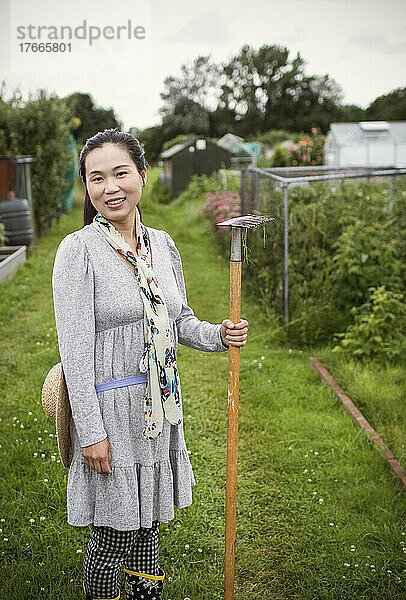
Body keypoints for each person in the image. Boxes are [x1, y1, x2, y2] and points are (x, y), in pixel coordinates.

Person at [51, 128, 249, 600]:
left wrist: (218, 335)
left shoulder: (162, 245)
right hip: (111, 413)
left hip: (158, 410)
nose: (110, 187)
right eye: (96, 178)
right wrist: (91, 432)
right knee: (114, 534)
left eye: (121, 173)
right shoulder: (78, 252)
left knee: (147, 530)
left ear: (143, 175)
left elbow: (178, 318)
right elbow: (75, 352)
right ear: (86, 186)